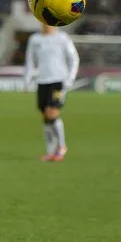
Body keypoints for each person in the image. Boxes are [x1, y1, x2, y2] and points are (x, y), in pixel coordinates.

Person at [23, 23, 79, 162]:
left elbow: (74, 59)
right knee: (46, 118)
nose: (46, 25)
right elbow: (30, 61)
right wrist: (27, 80)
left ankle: (61, 146)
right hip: (42, 81)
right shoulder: (35, 39)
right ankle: (50, 151)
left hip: (58, 81)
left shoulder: (63, 38)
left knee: (52, 113)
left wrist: (70, 79)